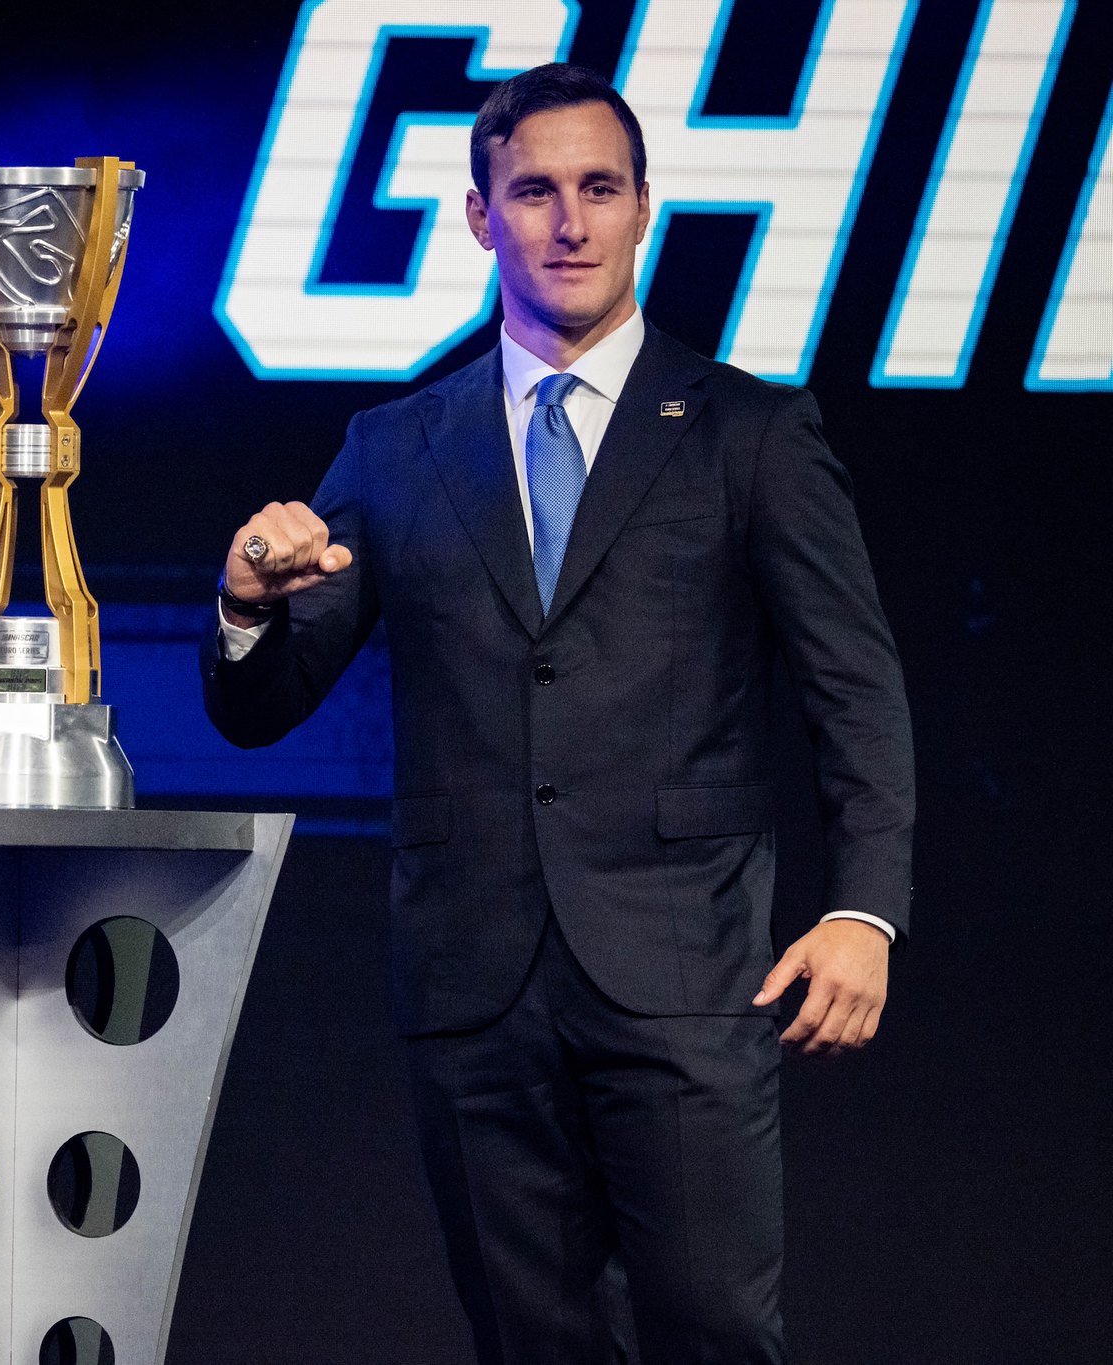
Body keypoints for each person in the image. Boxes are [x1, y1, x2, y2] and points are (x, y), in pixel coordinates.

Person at [203, 65, 913, 1362]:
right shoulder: (395, 446)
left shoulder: (748, 432)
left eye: (598, 189)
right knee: (530, 1343)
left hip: (687, 976)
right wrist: (248, 601)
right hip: (474, 987)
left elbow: (854, 689)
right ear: (480, 218)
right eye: (533, 191)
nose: (568, 220)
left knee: (710, 1332)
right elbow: (265, 705)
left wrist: (864, 911)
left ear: (646, 208)